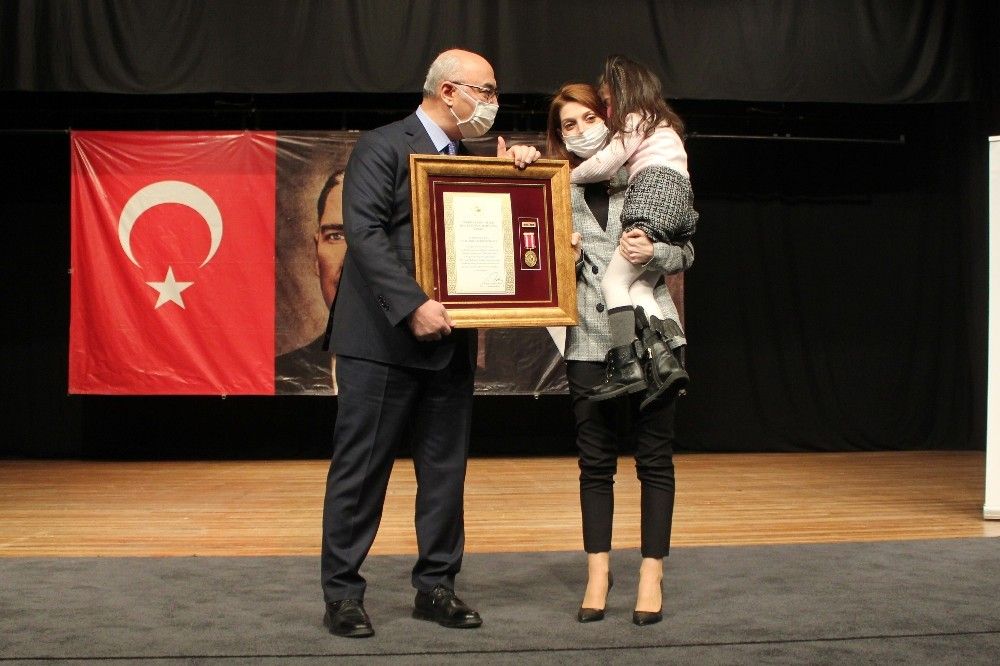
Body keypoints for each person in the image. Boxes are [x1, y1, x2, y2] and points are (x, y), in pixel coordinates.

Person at [320, 48, 541, 638]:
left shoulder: (473, 160)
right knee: (360, 472)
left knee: (444, 473)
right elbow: (364, 233)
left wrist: (518, 174)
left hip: (448, 343)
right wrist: (412, 305)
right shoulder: (383, 145)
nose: (493, 103)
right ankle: (342, 595)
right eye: (486, 91)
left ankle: (436, 587)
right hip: (381, 339)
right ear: (448, 91)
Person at [546, 82, 694, 626]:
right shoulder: (557, 186)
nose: (581, 130)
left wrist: (656, 250)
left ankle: (652, 573)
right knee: (595, 462)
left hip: (652, 336)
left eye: (589, 118)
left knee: (654, 458)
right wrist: (560, 256)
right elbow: (532, 255)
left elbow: (687, 250)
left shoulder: (648, 171)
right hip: (588, 338)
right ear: (559, 136)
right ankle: (598, 572)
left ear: (609, 119)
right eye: (569, 124)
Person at [570, 54, 696, 405]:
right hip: (678, 200)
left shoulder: (635, 119)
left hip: (653, 194)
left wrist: (568, 176)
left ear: (625, 93)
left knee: (614, 282)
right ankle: (664, 363)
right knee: (639, 287)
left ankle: (626, 366)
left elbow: (607, 162)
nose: (609, 112)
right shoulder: (663, 126)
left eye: (606, 103)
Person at [275, 170, 347, 393]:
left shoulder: (434, 376)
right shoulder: (279, 380)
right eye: (336, 236)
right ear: (316, 256)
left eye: (373, 235)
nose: (349, 260)